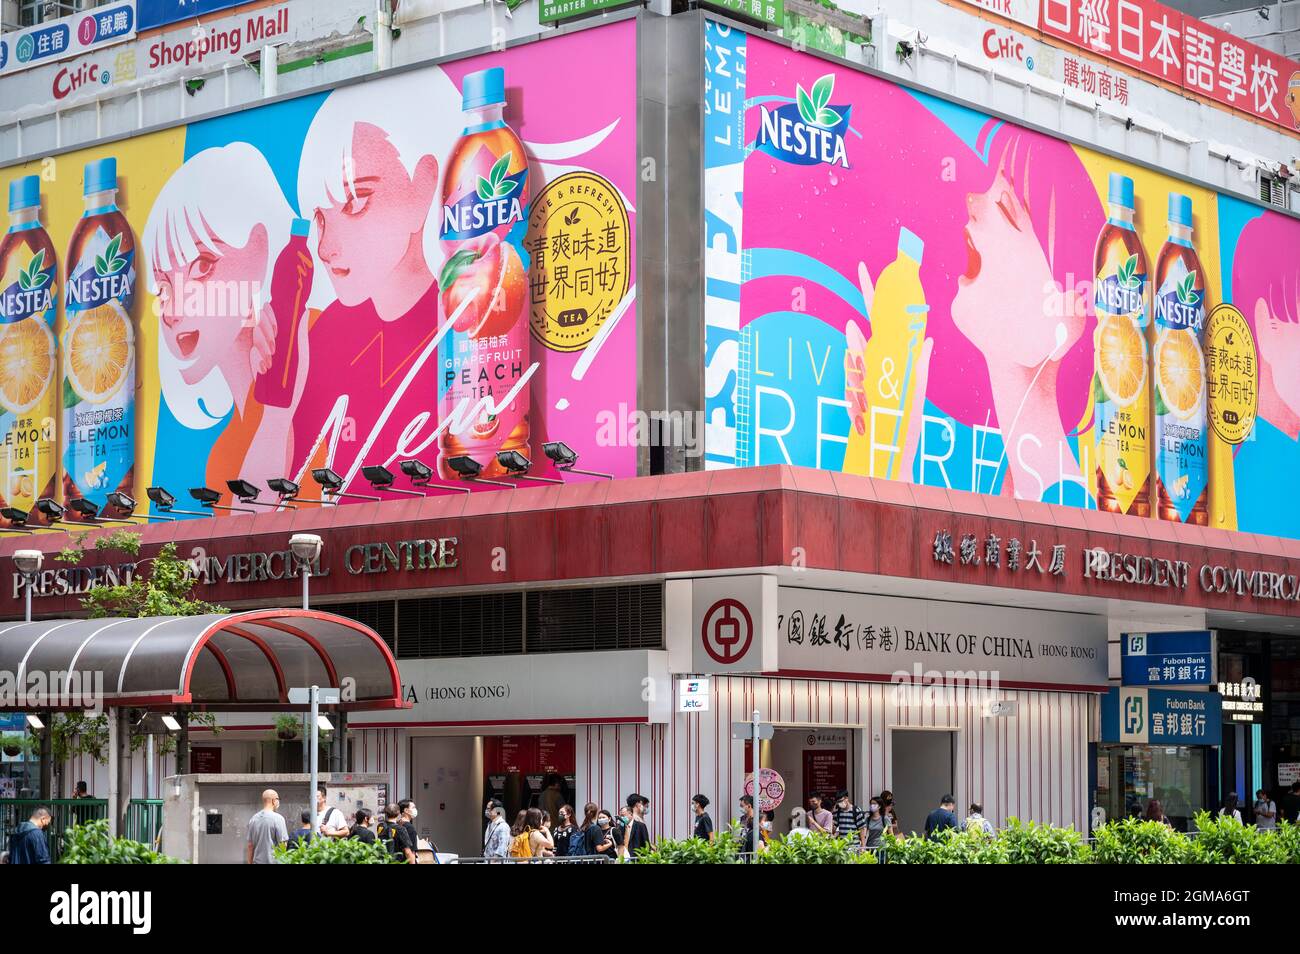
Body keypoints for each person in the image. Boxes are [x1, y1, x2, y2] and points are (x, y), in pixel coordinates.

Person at [144, 143, 300, 509]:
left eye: (201, 265)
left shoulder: (315, 340)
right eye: (163, 284)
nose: (174, 309)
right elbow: (251, 546)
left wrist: (280, 411)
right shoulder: (222, 454)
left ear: (260, 249)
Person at [246, 789, 288, 864]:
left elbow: (250, 846)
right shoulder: (278, 819)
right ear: (273, 800)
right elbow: (283, 845)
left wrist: (250, 863)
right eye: (278, 799)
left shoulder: (253, 819)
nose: (278, 802)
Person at [621, 793, 651, 859]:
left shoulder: (639, 818)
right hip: (634, 855)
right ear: (638, 804)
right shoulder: (635, 819)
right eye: (643, 805)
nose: (645, 808)